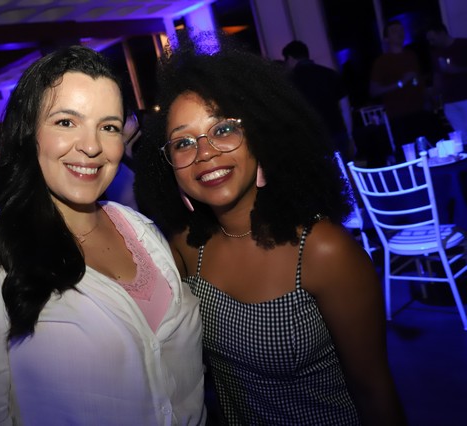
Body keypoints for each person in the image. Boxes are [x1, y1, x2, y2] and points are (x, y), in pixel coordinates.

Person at [0, 45, 206, 425]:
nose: (91, 146)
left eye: (108, 127)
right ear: (28, 133)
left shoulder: (143, 232)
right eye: (66, 122)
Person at [133, 35, 406, 425]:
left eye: (223, 129)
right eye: (183, 142)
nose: (205, 152)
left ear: (261, 137)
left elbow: (374, 392)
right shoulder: (186, 247)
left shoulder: (323, 251)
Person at [369, 19, 444, 159]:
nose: (399, 33)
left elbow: (417, 81)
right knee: (409, 156)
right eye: (394, 31)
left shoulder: (411, 55)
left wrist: (427, 97)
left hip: (421, 110)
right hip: (399, 116)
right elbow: (374, 91)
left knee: (433, 150)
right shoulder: (381, 62)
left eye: (401, 29)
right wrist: (400, 83)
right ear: (386, 39)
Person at [282, 40, 355, 162]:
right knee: (343, 168)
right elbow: (345, 107)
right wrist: (349, 135)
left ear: (290, 58)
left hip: (311, 138)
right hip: (337, 132)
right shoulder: (330, 74)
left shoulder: (290, 82)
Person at [426, 22, 467, 137]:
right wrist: (434, 94)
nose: (431, 43)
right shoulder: (435, 54)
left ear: (442, 33)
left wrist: (455, 69)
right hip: (449, 102)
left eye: (433, 39)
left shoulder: (463, 45)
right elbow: (437, 76)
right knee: (461, 137)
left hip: (465, 97)